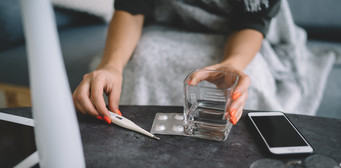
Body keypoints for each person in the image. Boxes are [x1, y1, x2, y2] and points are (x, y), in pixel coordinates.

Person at [72, 0, 281, 125]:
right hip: (165, 26)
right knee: (140, 60)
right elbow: (131, 8)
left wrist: (233, 64)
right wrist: (112, 65)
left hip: (237, 35)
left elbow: (251, 22)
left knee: (248, 77)